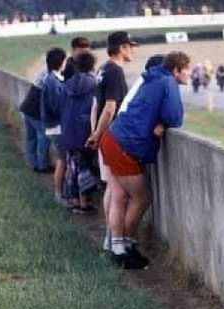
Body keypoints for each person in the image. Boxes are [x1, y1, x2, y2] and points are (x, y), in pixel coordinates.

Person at [99, 51, 190, 270]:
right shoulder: (168, 82)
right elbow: (174, 116)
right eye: (186, 69)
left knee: (120, 195)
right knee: (141, 198)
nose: (188, 73)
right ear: (176, 70)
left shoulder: (153, 78)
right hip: (124, 145)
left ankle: (116, 247)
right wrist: (164, 123)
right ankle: (123, 248)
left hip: (113, 139)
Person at [86, 31, 137, 252]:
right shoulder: (115, 71)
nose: (132, 50)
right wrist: (98, 134)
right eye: (130, 46)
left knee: (111, 188)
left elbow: (95, 106)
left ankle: (110, 237)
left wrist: (94, 132)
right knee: (117, 192)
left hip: (103, 134)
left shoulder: (103, 69)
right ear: (121, 48)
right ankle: (112, 239)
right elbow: (109, 107)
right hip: (112, 135)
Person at [61, 51, 99, 214]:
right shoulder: (94, 83)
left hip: (68, 129)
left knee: (72, 165)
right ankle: (85, 202)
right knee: (85, 165)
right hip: (85, 129)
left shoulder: (67, 84)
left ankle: (75, 200)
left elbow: (60, 106)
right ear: (92, 65)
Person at [41, 47, 68, 206]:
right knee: (63, 161)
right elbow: (56, 105)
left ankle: (61, 194)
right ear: (60, 62)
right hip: (56, 127)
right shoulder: (52, 81)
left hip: (54, 127)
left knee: (62, 160)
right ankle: (59, 195)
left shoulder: (51, 79)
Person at [19, 67, 52, 173]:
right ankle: (43, 165)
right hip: (36, 111)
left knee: (31, 137)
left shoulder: (44, 72)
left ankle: (33, 163)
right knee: (44, 136)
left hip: (27, 107)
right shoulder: (51, 77)